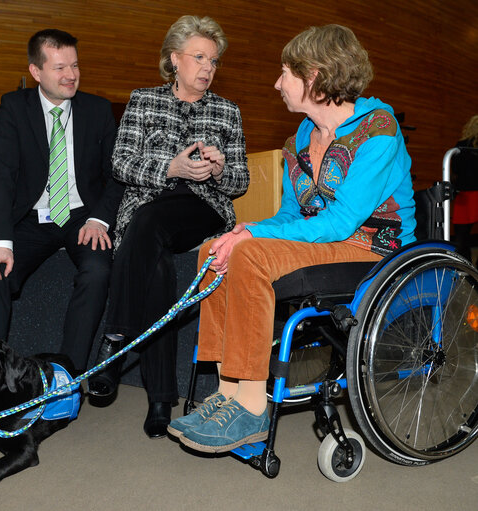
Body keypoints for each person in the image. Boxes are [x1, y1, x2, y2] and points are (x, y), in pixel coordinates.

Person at [168, 24, 417, 453]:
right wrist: (242, 232)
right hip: (325, 242)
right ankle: (227, 390)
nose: (277, 83)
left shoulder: (378, 128)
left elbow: (340, 223)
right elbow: (290, 214)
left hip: (373, 249)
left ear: (315, 76)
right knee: (216, 248)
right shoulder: (299, 138)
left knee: (251, 254)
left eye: (286, 72)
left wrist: (251, 235)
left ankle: (251, 405)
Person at [87, 15, 248, 439]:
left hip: (202, 209)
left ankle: (116, 337)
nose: (208, 68)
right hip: (148, 207)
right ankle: (161, 399)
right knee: (152, 254)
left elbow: (241, 183)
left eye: (213, 60)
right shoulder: (142, 100)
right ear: (174, 59)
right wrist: (170, 166)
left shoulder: (228, 110)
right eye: (199, 57)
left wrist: (219, 169)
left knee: (149, 223)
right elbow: (120, 163)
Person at [0, 29, 123, 376]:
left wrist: (99, 219)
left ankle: (67, 374)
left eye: (75, 66)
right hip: (31, 217)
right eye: (59, 68)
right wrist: (0, 243)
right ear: (36, 72)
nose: (71, 75)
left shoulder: (98, 109)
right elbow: (2, 177)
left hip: (83, 216)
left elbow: (116, 176)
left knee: (98, 271)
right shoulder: (13, 107)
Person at [451, 115, 478, 265]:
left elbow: (455, 169)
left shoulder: (462, 146)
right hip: (473, 194)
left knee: (462, 236)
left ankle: (465, 267)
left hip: (465, 194)